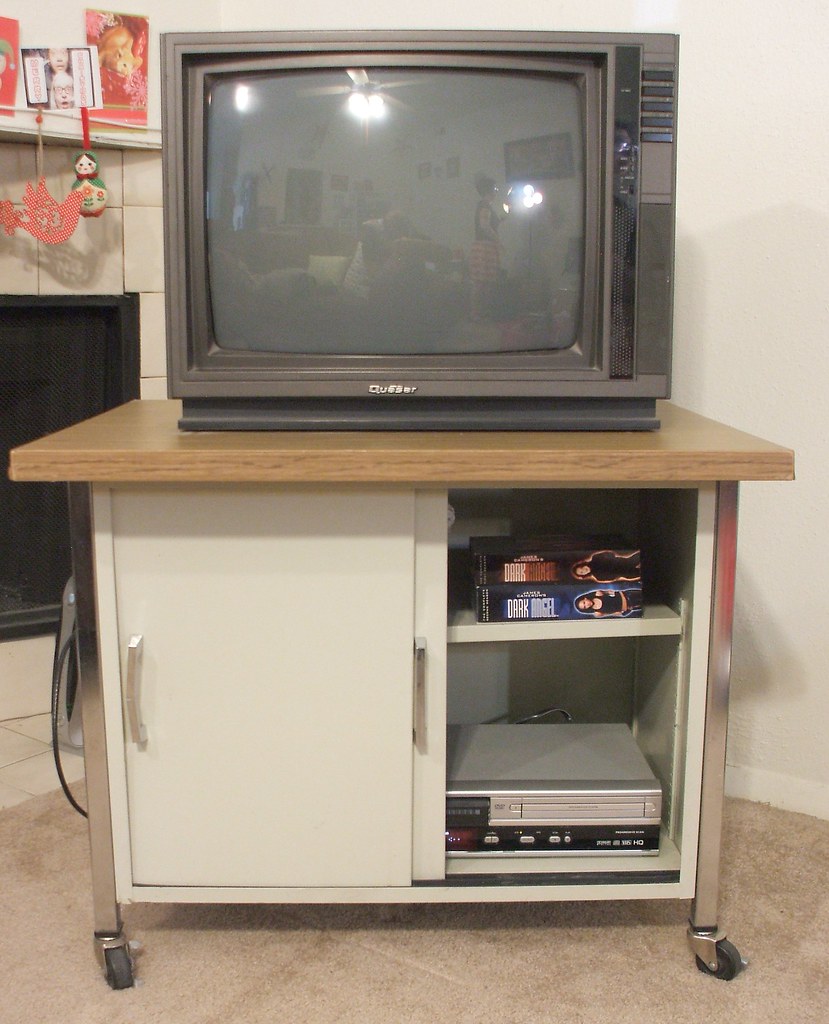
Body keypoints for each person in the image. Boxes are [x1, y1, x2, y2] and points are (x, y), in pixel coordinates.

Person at [469, 173, 506, 319]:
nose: (496, 191)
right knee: (480, 283)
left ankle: (481, 313)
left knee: (485, 283)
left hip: (486, 247)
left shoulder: (487, 206)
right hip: (484, 248)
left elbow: (489, 224)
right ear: (488, 191)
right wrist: (498, 241)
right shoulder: (484, 205)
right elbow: (484, 226)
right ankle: (476, 313)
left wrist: (502, 218)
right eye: (495, 189)